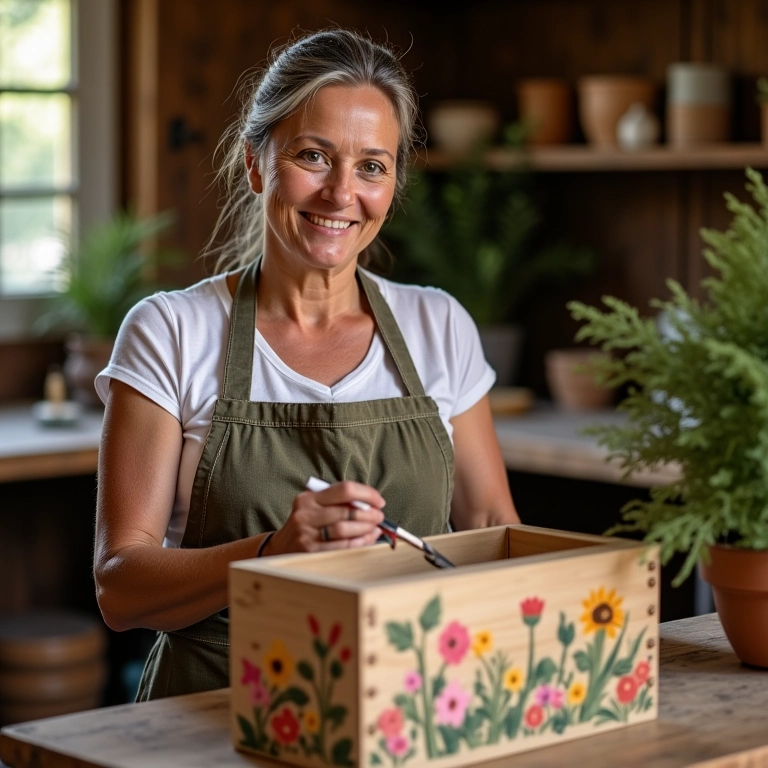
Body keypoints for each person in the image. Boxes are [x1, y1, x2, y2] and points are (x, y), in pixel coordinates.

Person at [93, 27, 519, 702]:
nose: (341, 193)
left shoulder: (439, 326)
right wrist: (273, 553)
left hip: (408, 710)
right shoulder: (171, 331)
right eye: (313, 156)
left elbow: (498, 531)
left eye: (372, 166)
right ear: (256, 164)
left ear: (393, 183)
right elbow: (121, 587)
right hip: (213, 714)